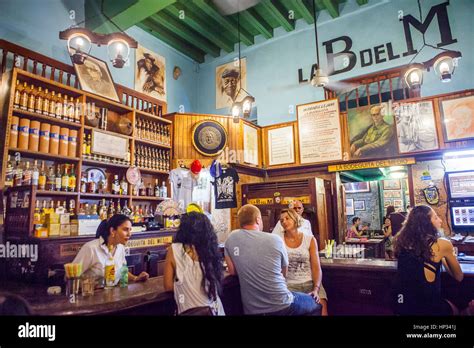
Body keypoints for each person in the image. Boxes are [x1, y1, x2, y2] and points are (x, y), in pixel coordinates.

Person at [225, 204, 321, 315]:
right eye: (282, 220)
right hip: (282, 304)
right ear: (258, 220)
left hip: (252, 310)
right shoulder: (276, 240)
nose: (284, 222)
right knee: (316, 304)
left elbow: (232, 271)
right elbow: (283, 273)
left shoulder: (231, 238)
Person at [393, 205, 465, 315]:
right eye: (436, 217)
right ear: (426, 223)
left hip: (403, 306)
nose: (440, 221)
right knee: (460, 307)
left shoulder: (402, 242)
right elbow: (459, 277)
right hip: (428, 309)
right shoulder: (443, 244)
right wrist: (445, 256)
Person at [164, 212, 225, 315]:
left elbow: (168, 286)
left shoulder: (174, 249)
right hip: (215, 311)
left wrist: (182, 282)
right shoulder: (209, 249)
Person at [73, 215, 149, 286]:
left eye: (130, 230)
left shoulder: (120, 247)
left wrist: (135, 278)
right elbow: (70, 276)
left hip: (112, 294)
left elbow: (122, 271)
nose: (129, 234)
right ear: (112, 231)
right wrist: (90, 285)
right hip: (91, 297)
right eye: (125, 230)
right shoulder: (90, 248)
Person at [278, 208, 329, 316]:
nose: (284, 222)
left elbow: (316, 267)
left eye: (287, 218)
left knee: (322, 308)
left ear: (295, 219)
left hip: (310, 283)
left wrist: (316, 288)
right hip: (290, 286)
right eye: (281, 220)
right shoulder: (278, 241)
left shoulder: (309, 239)